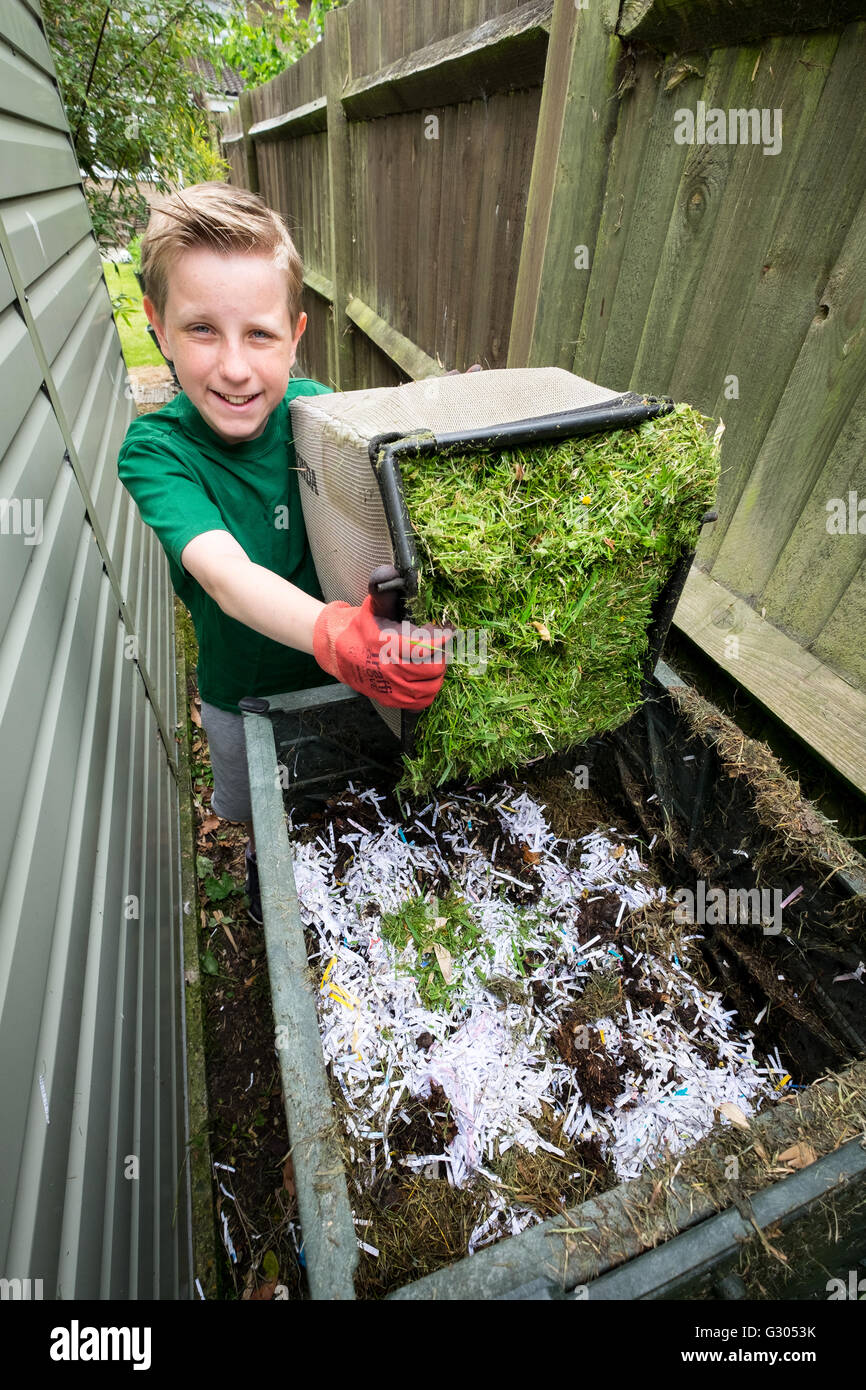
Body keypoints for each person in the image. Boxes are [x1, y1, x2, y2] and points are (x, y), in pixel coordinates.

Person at [116, 182, 457, 923]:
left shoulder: (318, 414)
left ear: (296, 334)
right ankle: (264, 874)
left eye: (260, 335)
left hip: (347, 684)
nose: (235, 367)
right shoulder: (158, 452)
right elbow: (226, 574)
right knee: (258, 808)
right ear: (157, 327)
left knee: (354, 789)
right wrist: (334, 633)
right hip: (246, 695)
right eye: (202, 329)